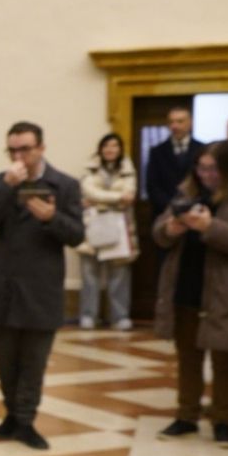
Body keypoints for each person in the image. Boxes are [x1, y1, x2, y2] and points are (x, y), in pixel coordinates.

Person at [0, 121, 85, 450]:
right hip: (4, 287)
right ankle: (11, 415)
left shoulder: (64, 185)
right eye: (13, 150)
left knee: (33, 363)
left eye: (25, 148)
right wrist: (6, 188)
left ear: (41, 148)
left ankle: (26, 421)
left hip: (41, 290)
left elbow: (77, 235)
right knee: (5, 362)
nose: (19, 156)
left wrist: (52, 218)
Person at [154, 142, 228, 448]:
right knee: (188, 356)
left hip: (226, 291)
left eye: (213, 169)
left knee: (224, 358)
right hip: (187, 285)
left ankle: (222, 421)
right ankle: (186, 416)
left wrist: (209, 226)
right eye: (201, 168)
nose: (206, 175)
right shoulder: (187, 192)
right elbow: (158, 231)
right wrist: (171, 229)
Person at [77, 132, 138, 330]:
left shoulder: (128, 170)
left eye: (114, 146)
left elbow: (130, 194)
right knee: (89, 274)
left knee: (119, 274)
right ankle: (88, 315)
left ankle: (120, 317)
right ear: (100, 149)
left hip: (120, 225)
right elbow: (88, 192)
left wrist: (99, 199)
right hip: (92, 224)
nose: (110, 150)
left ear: (120, 149)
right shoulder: (90, 169)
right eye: (106, 146)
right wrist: (117, 198)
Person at [145, 106, 203, 220]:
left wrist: (191, 207)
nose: (175, 126)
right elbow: (152, 185)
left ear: (190, 123)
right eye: (171, 122)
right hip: (165, 215)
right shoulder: (157, 152)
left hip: (196, 214)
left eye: (180, 121)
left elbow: (205, 182)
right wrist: (172, 208)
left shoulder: (202, 149)